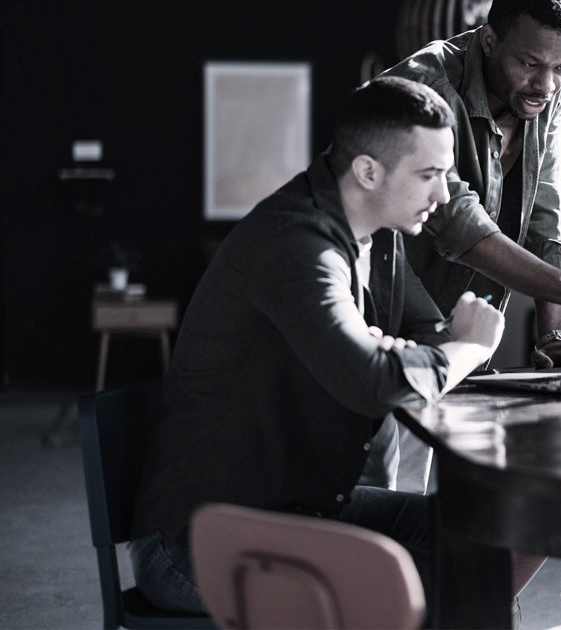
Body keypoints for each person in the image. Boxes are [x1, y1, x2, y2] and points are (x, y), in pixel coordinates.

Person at [128, 77, 514, 619]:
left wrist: (401, 356)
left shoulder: (380, 234)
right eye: (429, 175)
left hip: (297, 508)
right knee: (445, 586)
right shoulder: (294, 243)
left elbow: (427, 332)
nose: (444, 196)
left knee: (483, 543)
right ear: (368, 171)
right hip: (198, 544)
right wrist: (469, 348)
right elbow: (377, 382)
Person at [383, 0, 561, 368]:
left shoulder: (545, 93)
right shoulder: (424, 88)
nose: (547, 85)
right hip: (382, 331)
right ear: (490, 39)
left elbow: (545, 213)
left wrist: (553, 336)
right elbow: (460, 225)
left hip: (466, 349)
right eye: (530, 64)